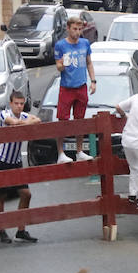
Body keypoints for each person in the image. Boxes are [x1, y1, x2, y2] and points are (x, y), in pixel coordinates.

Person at [0, 90, 39, 243]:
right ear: (10, 103)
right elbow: (13, 123)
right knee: (1, 195)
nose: (19, 106)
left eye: (21, 104)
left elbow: (37, 120)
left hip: (16, 160)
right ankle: (1, 229)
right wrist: (25, 122)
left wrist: (26, 121)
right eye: (16, 103)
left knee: (26, 194)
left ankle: (21, 229)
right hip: (2, 159)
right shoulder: (4, 114)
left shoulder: (24, 115)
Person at [54, 16, 96, 164]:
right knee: (63, 121)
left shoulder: (85, 43)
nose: (77, 32)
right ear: (68, 28)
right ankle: (61, 153)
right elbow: (58, 66)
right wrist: (63, 65)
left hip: (81, 86)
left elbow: (89, 63)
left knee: (80, 120)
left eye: (79, 29)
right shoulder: (61, 45)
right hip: (67, 87)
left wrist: (93, 81)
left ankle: (79, 151)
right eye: (74, 29)